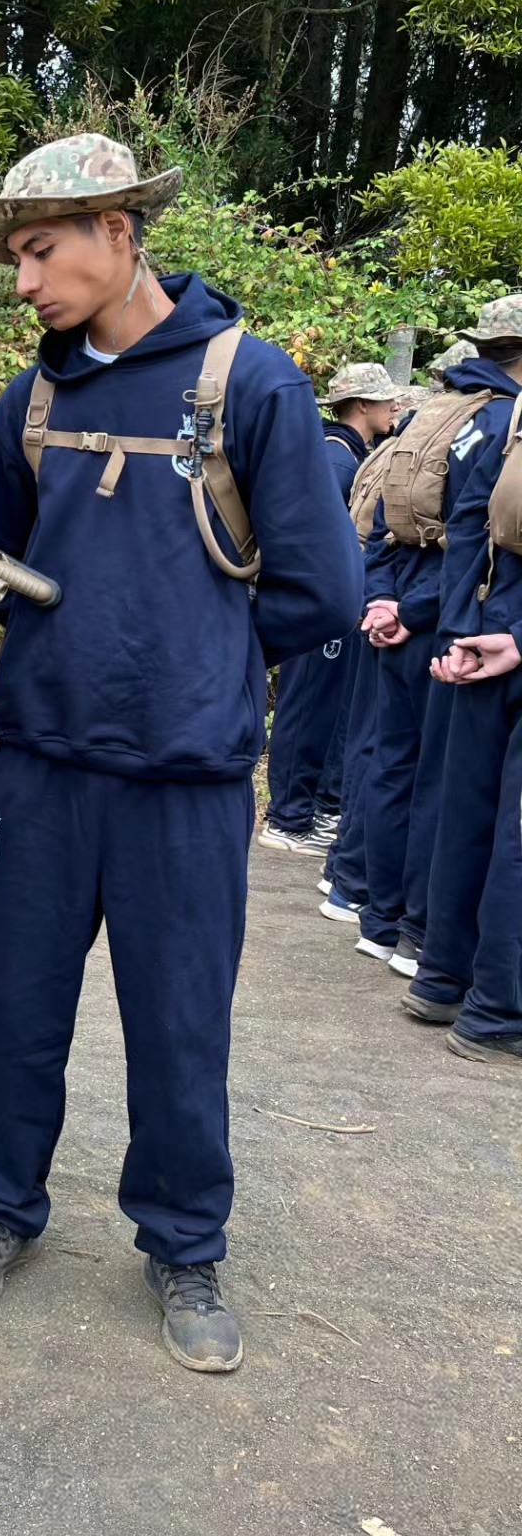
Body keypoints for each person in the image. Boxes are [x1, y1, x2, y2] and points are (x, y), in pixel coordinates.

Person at [0, 134, 362, 1373]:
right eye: (16, 258)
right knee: (18, 1008)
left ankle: (184, 1244)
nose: (24, 281)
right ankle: (1, 1208)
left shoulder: (249, 384)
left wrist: (200, 662)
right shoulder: (32, 402)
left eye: (41, 251)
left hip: (188, 780)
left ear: (120, 232)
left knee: (179, 1024)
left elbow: (325, 591)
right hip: (40, 768)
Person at [350, 331, 522, 972]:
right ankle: (420, 933)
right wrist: (429, 618)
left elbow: (383, 521)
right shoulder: (501, 422)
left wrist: (381, 600)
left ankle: (377, 917)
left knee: (389, 763)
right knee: (442, 785)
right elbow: (468, 536)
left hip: (405, 610)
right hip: (459, 627)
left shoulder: (430, 416)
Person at [402, 294, 522, 1051]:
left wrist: (458, 633)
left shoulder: (492, 421)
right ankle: (500, 1011)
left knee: (466, 807)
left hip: (480, 627)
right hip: (509, 638)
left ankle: (442, 977)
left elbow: (467, 525)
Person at [260, 363, 397, 858]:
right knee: (308, 703)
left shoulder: (344, 453)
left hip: (322, 602)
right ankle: (289, 817)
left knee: (324, 705)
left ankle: (308, 810)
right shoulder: (338, 461)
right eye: (385, 400)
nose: (394, 407)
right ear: (361, 404)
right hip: (318, 605)